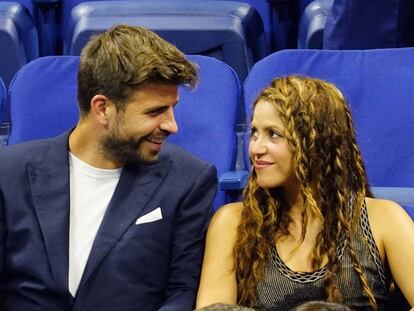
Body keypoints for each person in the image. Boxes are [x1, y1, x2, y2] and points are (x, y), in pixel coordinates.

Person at [0, 24, 217, 310]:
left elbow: (182, 292)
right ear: (102, 108)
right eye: (155, 111)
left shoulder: (189, 180)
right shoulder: (9, 172)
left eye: (172, 107)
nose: (171, 125)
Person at [196, 76, 414, 310]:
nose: (256, 148)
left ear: (317, 144)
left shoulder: (383, 218)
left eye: (274, 134)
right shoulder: (232, 223)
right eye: (255, 133)